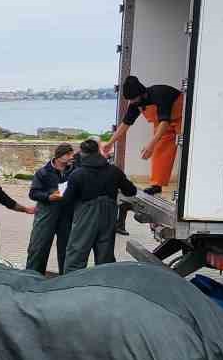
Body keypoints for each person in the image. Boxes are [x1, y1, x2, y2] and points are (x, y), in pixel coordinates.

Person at [63, 139, 138, 272]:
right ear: (98, 151)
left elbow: (67, 200)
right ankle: (104, 288)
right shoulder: (114, 171)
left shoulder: (78, 174)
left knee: (76, 257)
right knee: (105, 259)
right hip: (108, 218)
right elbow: (131, 191)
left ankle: (71, 288)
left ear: (82, 153)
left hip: (85, 218)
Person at [104, 75, 184, 195]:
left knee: (186, 149)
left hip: (182, 119)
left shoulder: (159, 94)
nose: (131, 102)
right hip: (163, 124)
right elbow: (125, 124)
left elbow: (165, 121)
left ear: (142, 94)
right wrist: (110, 143)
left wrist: (150, 145)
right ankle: (157, 185)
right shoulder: (136, 103)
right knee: (159, 151)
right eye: (129, 100)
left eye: (133, 99)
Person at [25, 143, 77, 274]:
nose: (71, 157)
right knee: (38, 247)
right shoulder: (43, 172)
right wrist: (49, 196)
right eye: (68, 154)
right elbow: (33, 193)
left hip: (67, 215)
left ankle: (66, 280)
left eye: (72, 154)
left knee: (67, 250)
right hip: (46, 214)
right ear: (59, 156)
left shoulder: (74, 172)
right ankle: (33, 278)